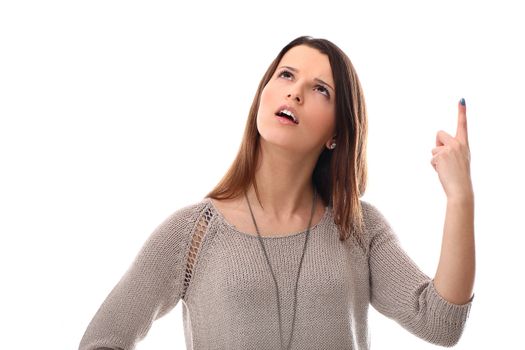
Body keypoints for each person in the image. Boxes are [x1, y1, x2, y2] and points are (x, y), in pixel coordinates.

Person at [78, 36, 475, 350]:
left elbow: (440, 323)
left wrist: (460, 198)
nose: (295, 93)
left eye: (320, 89)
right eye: (286, 75)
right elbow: (101, 342)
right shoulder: (192, 233)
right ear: (262, 95)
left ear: (337, 133)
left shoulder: (357, 227)